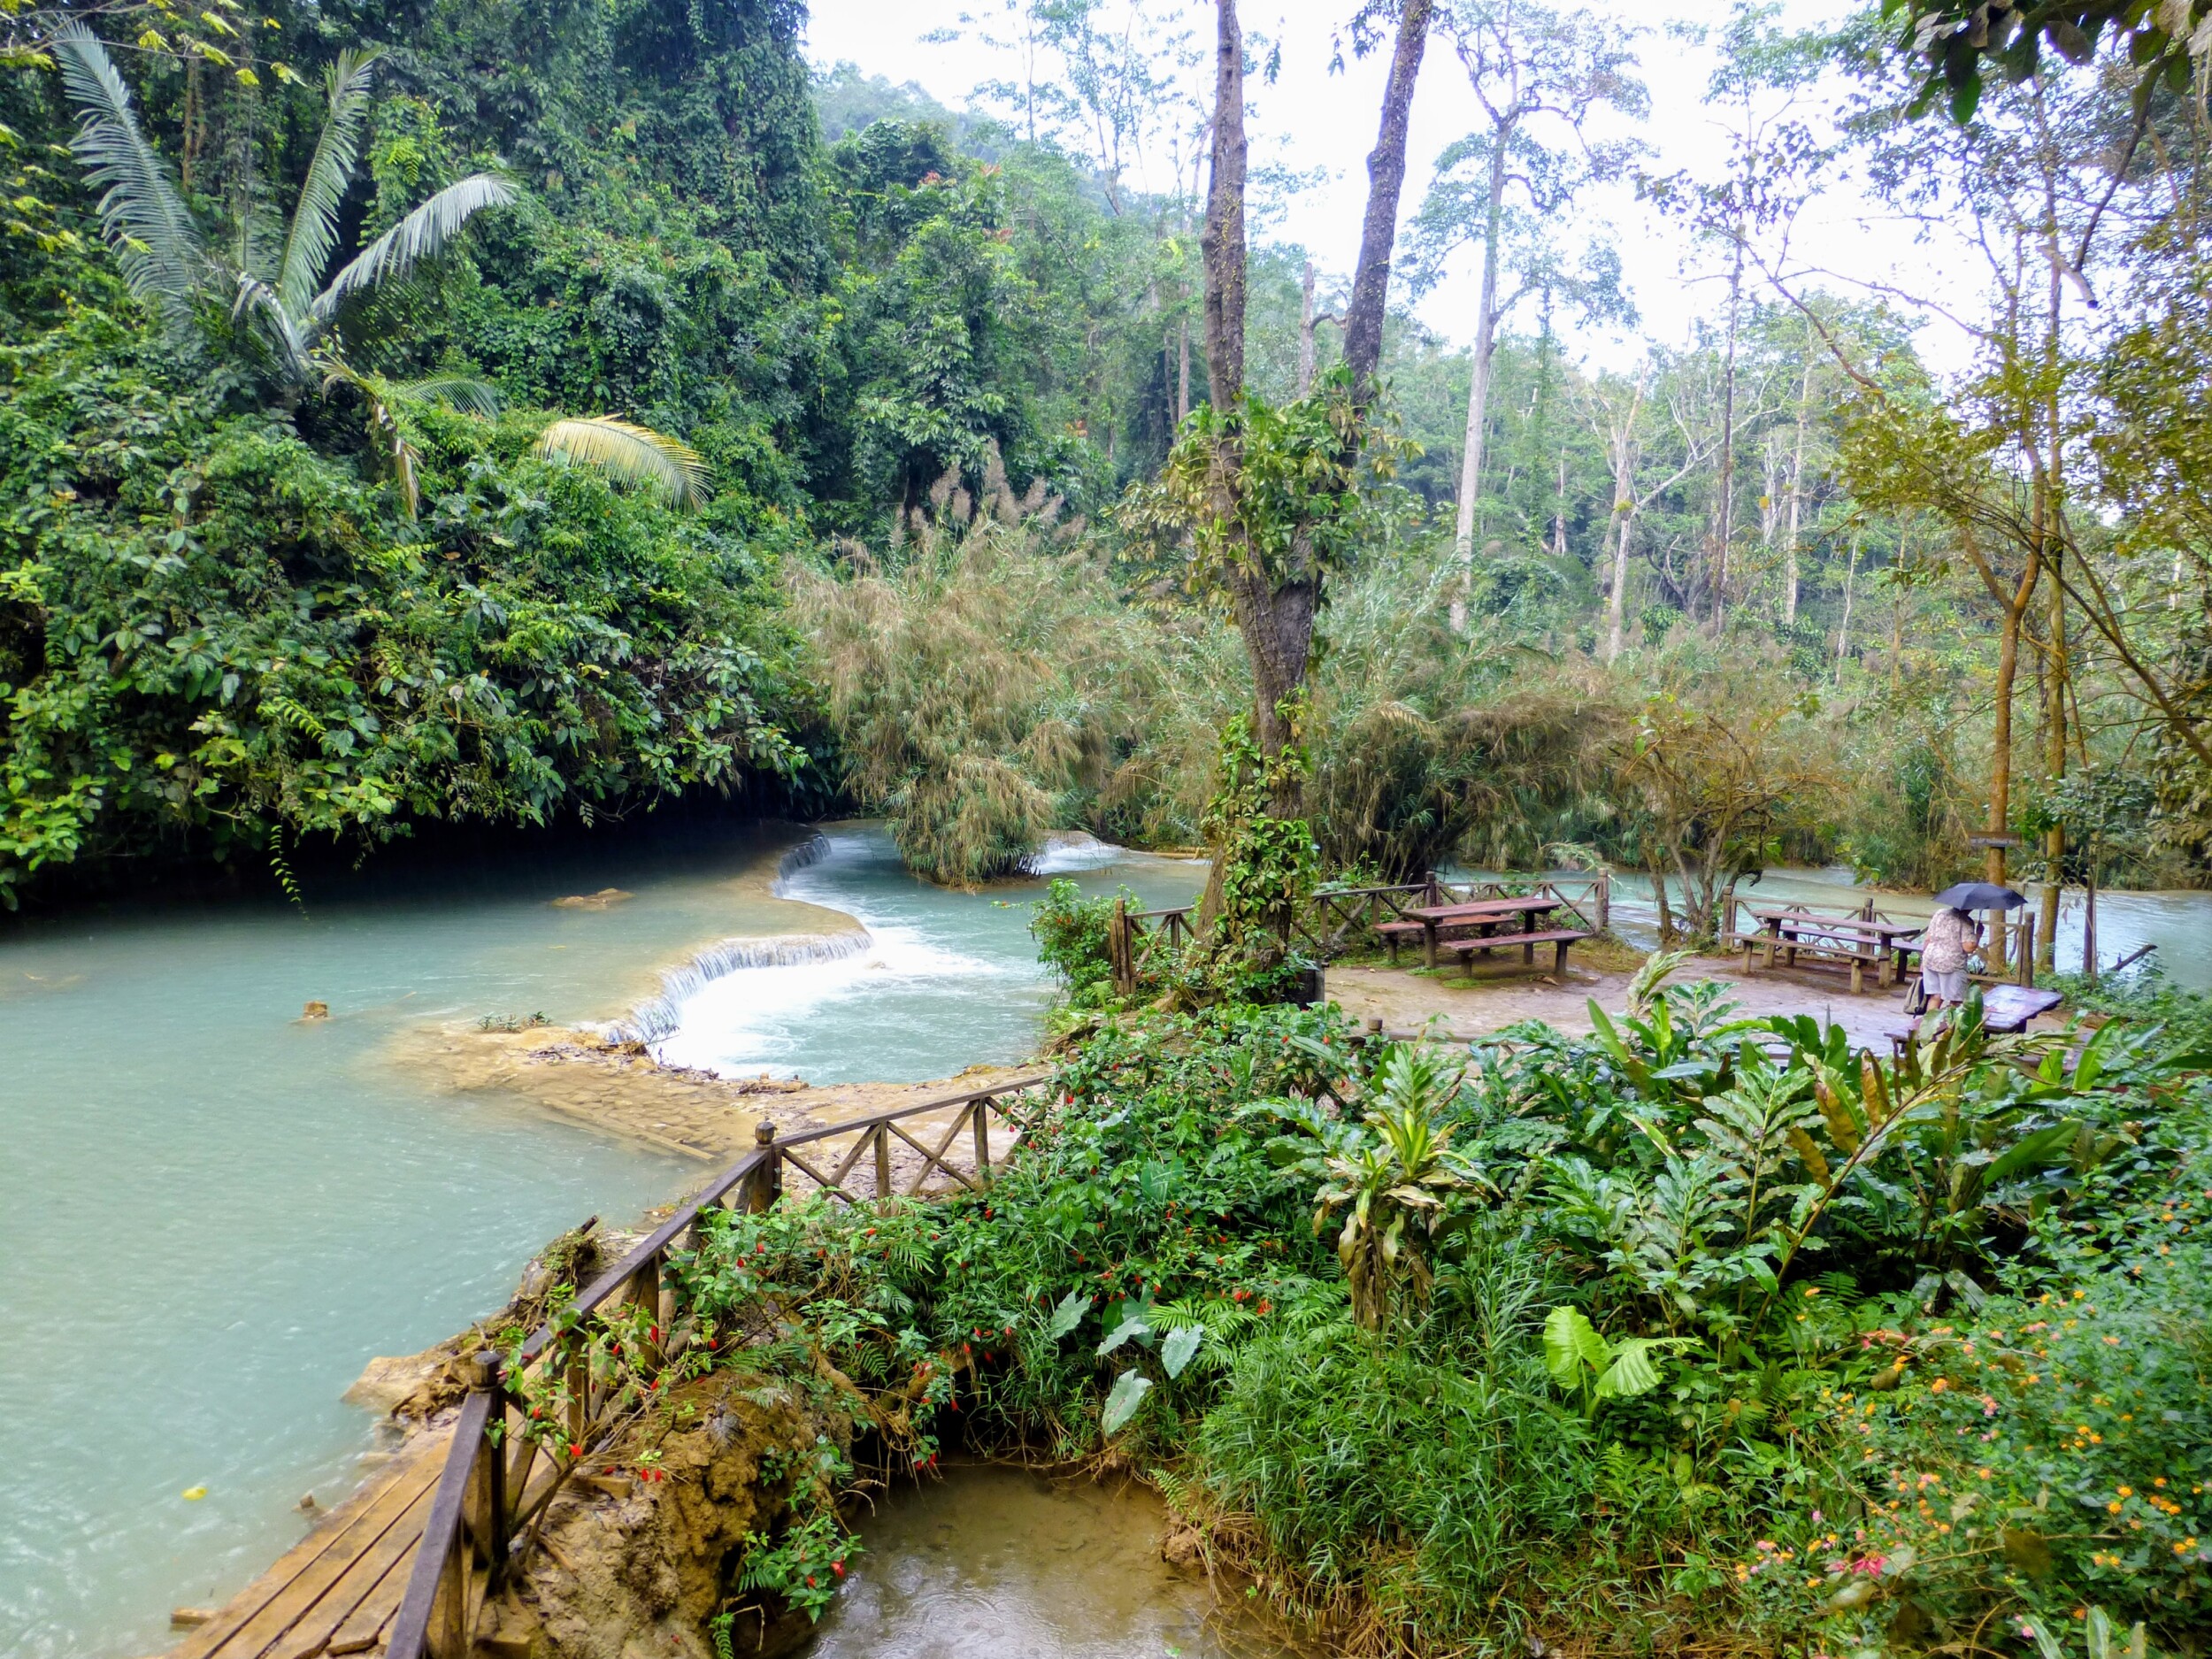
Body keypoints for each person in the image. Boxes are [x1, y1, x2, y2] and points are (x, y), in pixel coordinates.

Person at [1917, 904, 1980, 1010]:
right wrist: (1978, 935)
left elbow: (1928, 938)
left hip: (1931, 958)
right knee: (1956, 1001)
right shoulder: (1966, 921)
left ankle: (1929, 1026)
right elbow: (1968, 948)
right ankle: (1952, 1026)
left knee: (1935, 997)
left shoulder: (1939, 913)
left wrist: (1923, 959)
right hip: (1951, 964)